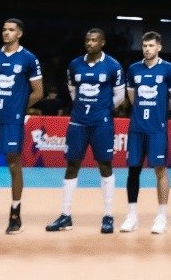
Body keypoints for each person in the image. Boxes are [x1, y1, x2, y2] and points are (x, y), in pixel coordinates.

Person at [47, 28, 124, 234]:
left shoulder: (113, 66)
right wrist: (84, 108)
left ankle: (108, 216)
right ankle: (65, 216)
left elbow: (119, 96)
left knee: (105, 165)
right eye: (87, 40)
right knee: (72, 165)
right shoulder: (74, 65)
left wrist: (102, 110)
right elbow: (73, 91)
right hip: (78, 122)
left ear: (103, 42)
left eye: (94, 40)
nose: (89, 43)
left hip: (102, 123)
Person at [0, 19, 43, 235]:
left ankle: (15, 215)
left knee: (13, 163)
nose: (6, 32)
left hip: (12, 119)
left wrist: (18, 108)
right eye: (4, 29)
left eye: (11, 30)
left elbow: (38, 91)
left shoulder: (29, 59)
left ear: (19, 33)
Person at [123, 31, 171, 234]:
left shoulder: (168, 69)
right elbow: (132, 97)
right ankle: (131, 216)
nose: (147, 49)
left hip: (157, 128)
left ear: (159, 47)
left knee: (160, 170)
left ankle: (162, 216)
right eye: (145, 45)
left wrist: (158, 113)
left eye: (151, 45)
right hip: (137, 127)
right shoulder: (133, 69)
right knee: (133, 170)